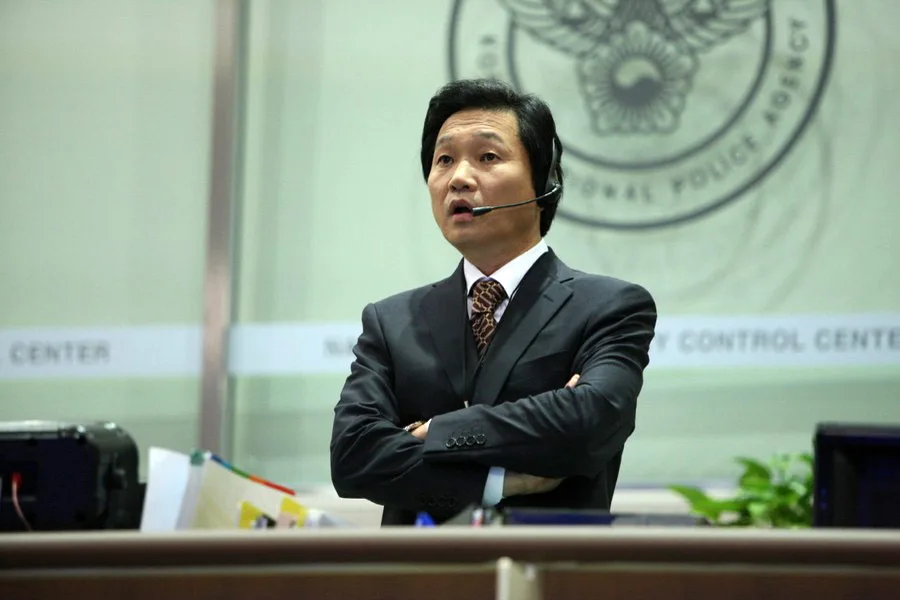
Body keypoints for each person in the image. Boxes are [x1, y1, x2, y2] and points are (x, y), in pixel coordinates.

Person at [330, 78, 657, 526]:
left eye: (488, 157)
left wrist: (434, 430)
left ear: (544, 182)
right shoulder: (391, 321)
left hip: (548, 563)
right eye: (444, 160)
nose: (459, 178)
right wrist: (499, 481)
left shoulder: (609, 306)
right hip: (419, 567)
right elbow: (353, 456)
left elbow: (590, 420)